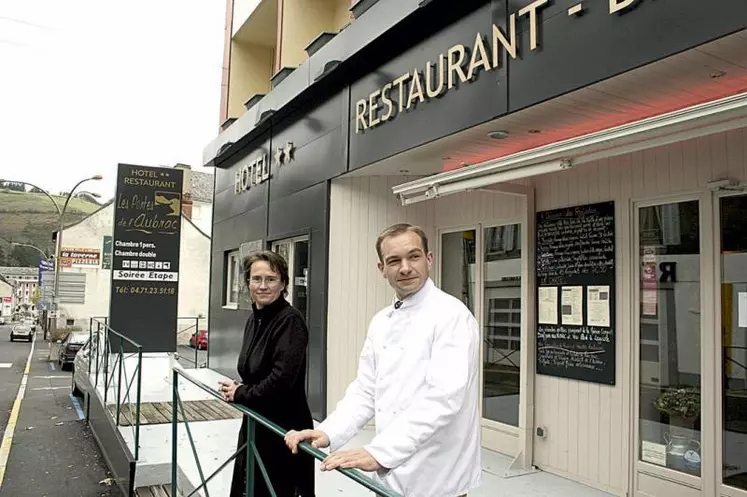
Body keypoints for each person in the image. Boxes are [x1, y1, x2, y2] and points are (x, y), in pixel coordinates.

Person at [285, 223, 482, 497]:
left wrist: (379, 453)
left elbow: (444, 398)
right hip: (390, 475)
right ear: (382, 269)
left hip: (438, 479)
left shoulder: (452, 316)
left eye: (413, 256)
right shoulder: (382, 321)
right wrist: (328, 432)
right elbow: (366, 390)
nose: (405, 268)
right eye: (394, 261)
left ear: (429, 259)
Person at [219, 250, 315, 497]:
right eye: (256, 279)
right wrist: (241, 386)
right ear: (247, 283)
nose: (263, 286)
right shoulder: (254, 319)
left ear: (283, 283)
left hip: (283, 431)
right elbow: (256, 371)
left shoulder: (290, 321)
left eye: (271, 279)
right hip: (256, 423)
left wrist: (241, 392)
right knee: (248, 485)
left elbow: (281, 381)